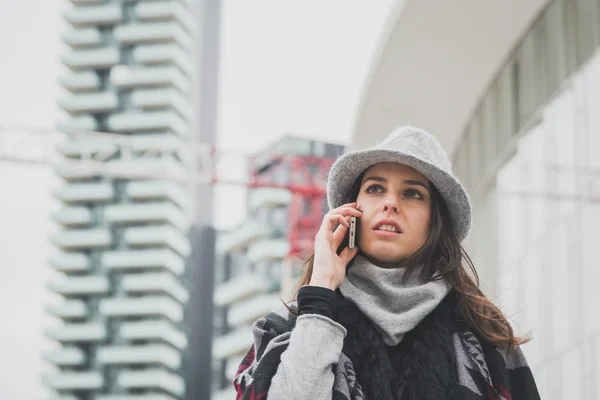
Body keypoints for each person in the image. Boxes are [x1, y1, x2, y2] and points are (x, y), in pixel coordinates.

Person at [232, 126, 540, 400]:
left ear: (436, 222)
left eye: (412, 193)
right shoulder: (286, 330)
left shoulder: (489, 343)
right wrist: (321, 292)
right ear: (352, 210)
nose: (390, 203)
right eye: (375, 188)